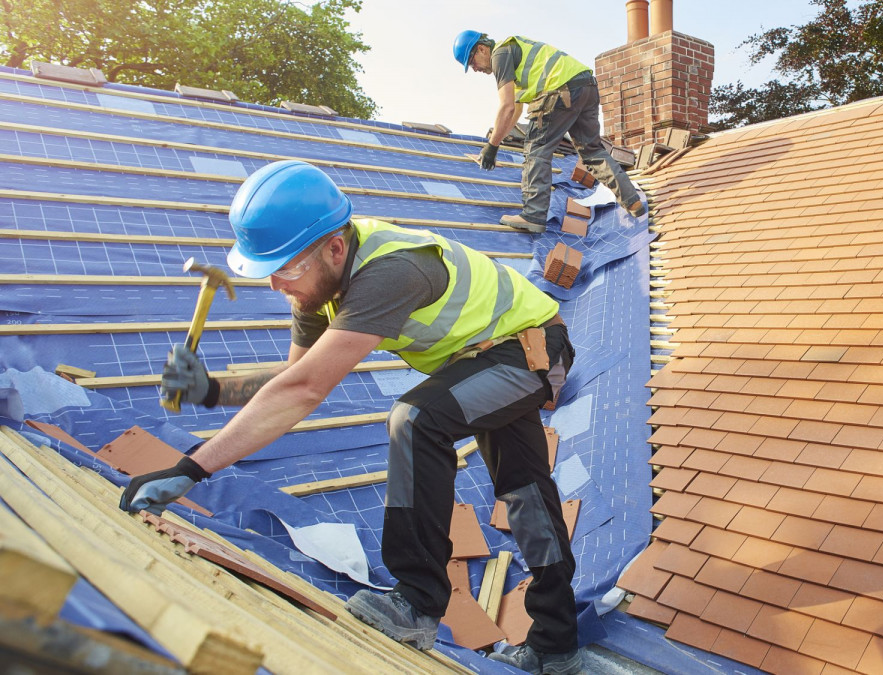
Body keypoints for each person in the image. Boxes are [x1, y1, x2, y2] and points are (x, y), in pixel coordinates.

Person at [119, 160, 584, 674]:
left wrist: (190, 469)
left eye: (286, 268)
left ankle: (417, 601)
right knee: (525, 493)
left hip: (533, 350)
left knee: (415, 420)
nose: (276, 284)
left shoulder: (391, 272)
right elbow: (294, 381)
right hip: (485, 358)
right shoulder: (315, 286)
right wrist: (213, 390)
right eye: (267, 270)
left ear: (334, 249)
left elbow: (302, 391)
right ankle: (557, 646)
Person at [453, 29, 645, 234]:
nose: (474, 69)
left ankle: (533, 215)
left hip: (560, 90)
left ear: (481, 49)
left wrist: (491, 147)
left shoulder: (500, 55)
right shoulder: (515, 57)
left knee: (536, 150)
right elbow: (514, 111)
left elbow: (506, 106)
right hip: (586, 86)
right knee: (592, 152)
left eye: (472, 62)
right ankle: (633, 201)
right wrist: (495, 143)